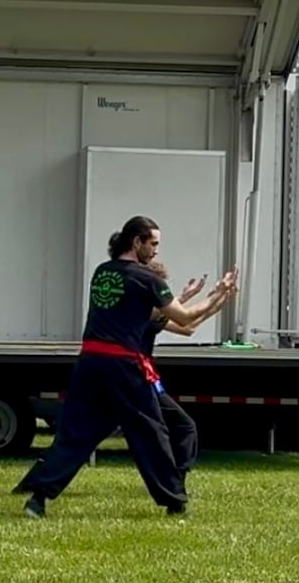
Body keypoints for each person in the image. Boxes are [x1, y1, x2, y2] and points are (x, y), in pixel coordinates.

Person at [13, 215, 235, 518]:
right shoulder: (147, 279)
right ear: (137, 242)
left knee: (77, 433)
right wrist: (219, 294)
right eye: (153, 243)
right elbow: (185, 318)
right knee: (151, 432)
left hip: (89, 362)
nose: (156, 250)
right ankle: (174, 501)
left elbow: (140, 312)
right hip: (123, 366)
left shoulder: (102, 272)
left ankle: (38, 498)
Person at [139, 260, 237, 483]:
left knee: (176, 427)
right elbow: (183, 320)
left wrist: (218, 299)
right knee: (182, 427)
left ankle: (173, 479)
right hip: (138, 378)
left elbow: (187, 327)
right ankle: (174, 481)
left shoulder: (144, 312)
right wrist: (214, 296)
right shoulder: (142, 313)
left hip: (142, 378)